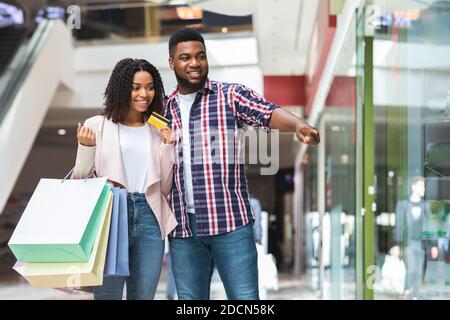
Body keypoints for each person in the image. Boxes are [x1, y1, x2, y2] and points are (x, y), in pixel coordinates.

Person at [164, 28, 320, 300]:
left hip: (231, 222)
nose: (194, 64)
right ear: (172, 62)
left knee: (246, 300)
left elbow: (266, 112)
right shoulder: (164, 110)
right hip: (183, 230)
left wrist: (297, 124)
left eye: (200, 56)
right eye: (185, 57)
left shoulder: (229, 96)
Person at [72, 58, 177, 300]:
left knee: (143, 296)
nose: (144, 94)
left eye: (150, 87)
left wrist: (167, 147)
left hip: (150, 215)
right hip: (110, 214)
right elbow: (81, 180)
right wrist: (85, 147)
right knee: (108, 294)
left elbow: (166, 187)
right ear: (121, 88)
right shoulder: (97, 125)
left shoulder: (158, 127)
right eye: (136, 87)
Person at [391, 176, 429, 299]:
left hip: (421, 243)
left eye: (424, 186)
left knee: (419, 272)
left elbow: (429, 225)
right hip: (409, 243)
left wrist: (433, 245)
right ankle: (407, 291)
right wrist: (396, 244)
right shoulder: (403, 205)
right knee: (411, 269)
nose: (424, 189)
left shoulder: (425, 205)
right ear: (413, 187)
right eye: (421, 186)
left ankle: (415, 296)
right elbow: (399, 225)